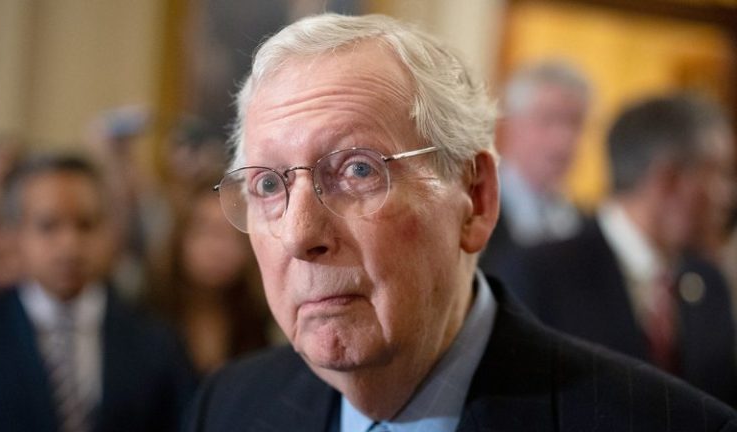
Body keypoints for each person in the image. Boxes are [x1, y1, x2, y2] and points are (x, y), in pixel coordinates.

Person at [186, 13, 737, 431]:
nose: (300, 235)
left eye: (358, 170)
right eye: (268, 185)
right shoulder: (227, 406)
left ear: (475, 198)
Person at [497, 94, 737, 406]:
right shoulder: (539, 273)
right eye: (719, 174)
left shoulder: (708, 282)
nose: (728, 196)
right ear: (668, 180)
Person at [0, 153, 197, 432]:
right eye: (48, 226)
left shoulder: (155, 340)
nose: (69, 245)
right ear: (16, 234)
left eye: (86, 225)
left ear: (112, 231)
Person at [147, 180, 272, 374]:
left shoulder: (263, 321)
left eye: (233, 234)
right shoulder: (147, 315)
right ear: (179, 235)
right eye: (204, 230)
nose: (217, 248)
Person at [480, 61, 590, 274]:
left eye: (574, 122)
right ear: (510, 124)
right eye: (548, 119)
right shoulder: (474, 208)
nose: (563, 139)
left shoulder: (582, 224)